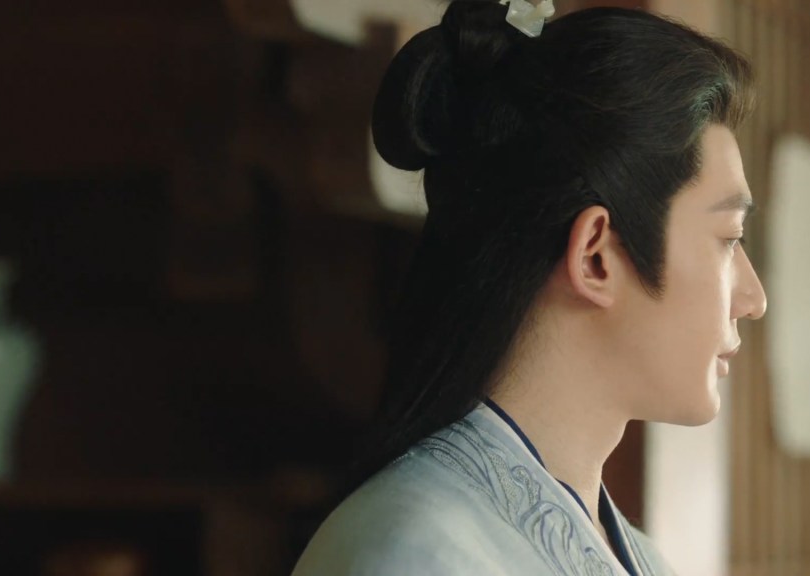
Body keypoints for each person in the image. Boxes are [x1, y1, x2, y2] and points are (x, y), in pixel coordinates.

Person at [292, 0, 767, 574]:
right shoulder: (411, 552)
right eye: (728, 238)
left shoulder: (642, 558)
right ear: (595, 257)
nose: (754, 298)